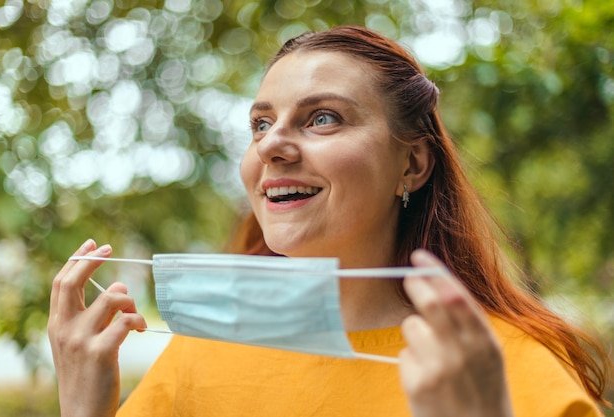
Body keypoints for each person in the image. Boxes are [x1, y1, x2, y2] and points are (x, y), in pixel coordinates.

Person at [48, 26, 611, 417]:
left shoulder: (510, 369)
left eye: (322, 118)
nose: (272, 146)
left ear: (412, 164)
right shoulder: (206, 348)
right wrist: (81, 407)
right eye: (260, 124)